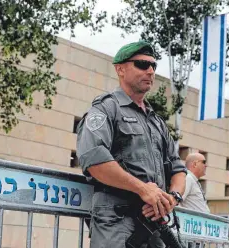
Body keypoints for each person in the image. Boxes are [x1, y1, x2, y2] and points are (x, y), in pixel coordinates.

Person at [76, 40, 187, 248]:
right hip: (117, 224)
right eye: (142, 65)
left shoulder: (156, 121)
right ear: (120, 69)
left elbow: (178, 168)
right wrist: (143, 189)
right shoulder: (106, 109)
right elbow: (94, 159)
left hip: (154, 226)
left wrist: (171, 198)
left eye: (154, 66)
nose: (151, 71)